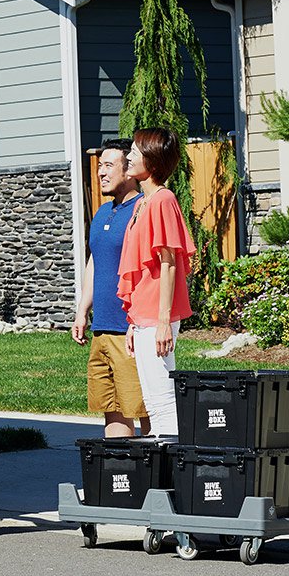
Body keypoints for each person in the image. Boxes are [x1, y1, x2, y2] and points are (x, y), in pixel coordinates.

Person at [118, 128, 196, 437]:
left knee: (162, 397)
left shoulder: (163, 199)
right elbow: (142, 268)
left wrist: (164, 321)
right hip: (144, 317)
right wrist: (133, 323)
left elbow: (169, 262)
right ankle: (160, 457)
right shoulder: (142, 203)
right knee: (151, 398)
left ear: (151, 161)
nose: (128, 157)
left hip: (157, 315)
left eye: (135, 153)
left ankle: (171, 457)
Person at [72, 139, 151, 437]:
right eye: (100, 166)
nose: (100, 172)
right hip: (102, 329)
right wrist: (83, 310)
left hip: (130, 331)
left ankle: (156, 465)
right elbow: (95, 261)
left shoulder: (142, 210)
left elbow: (151, 269)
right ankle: (120, 465)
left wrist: (138, 321)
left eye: (108, 166)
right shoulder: (103, 213)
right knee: (113, 408)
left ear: (128, 170)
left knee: (145, 409)